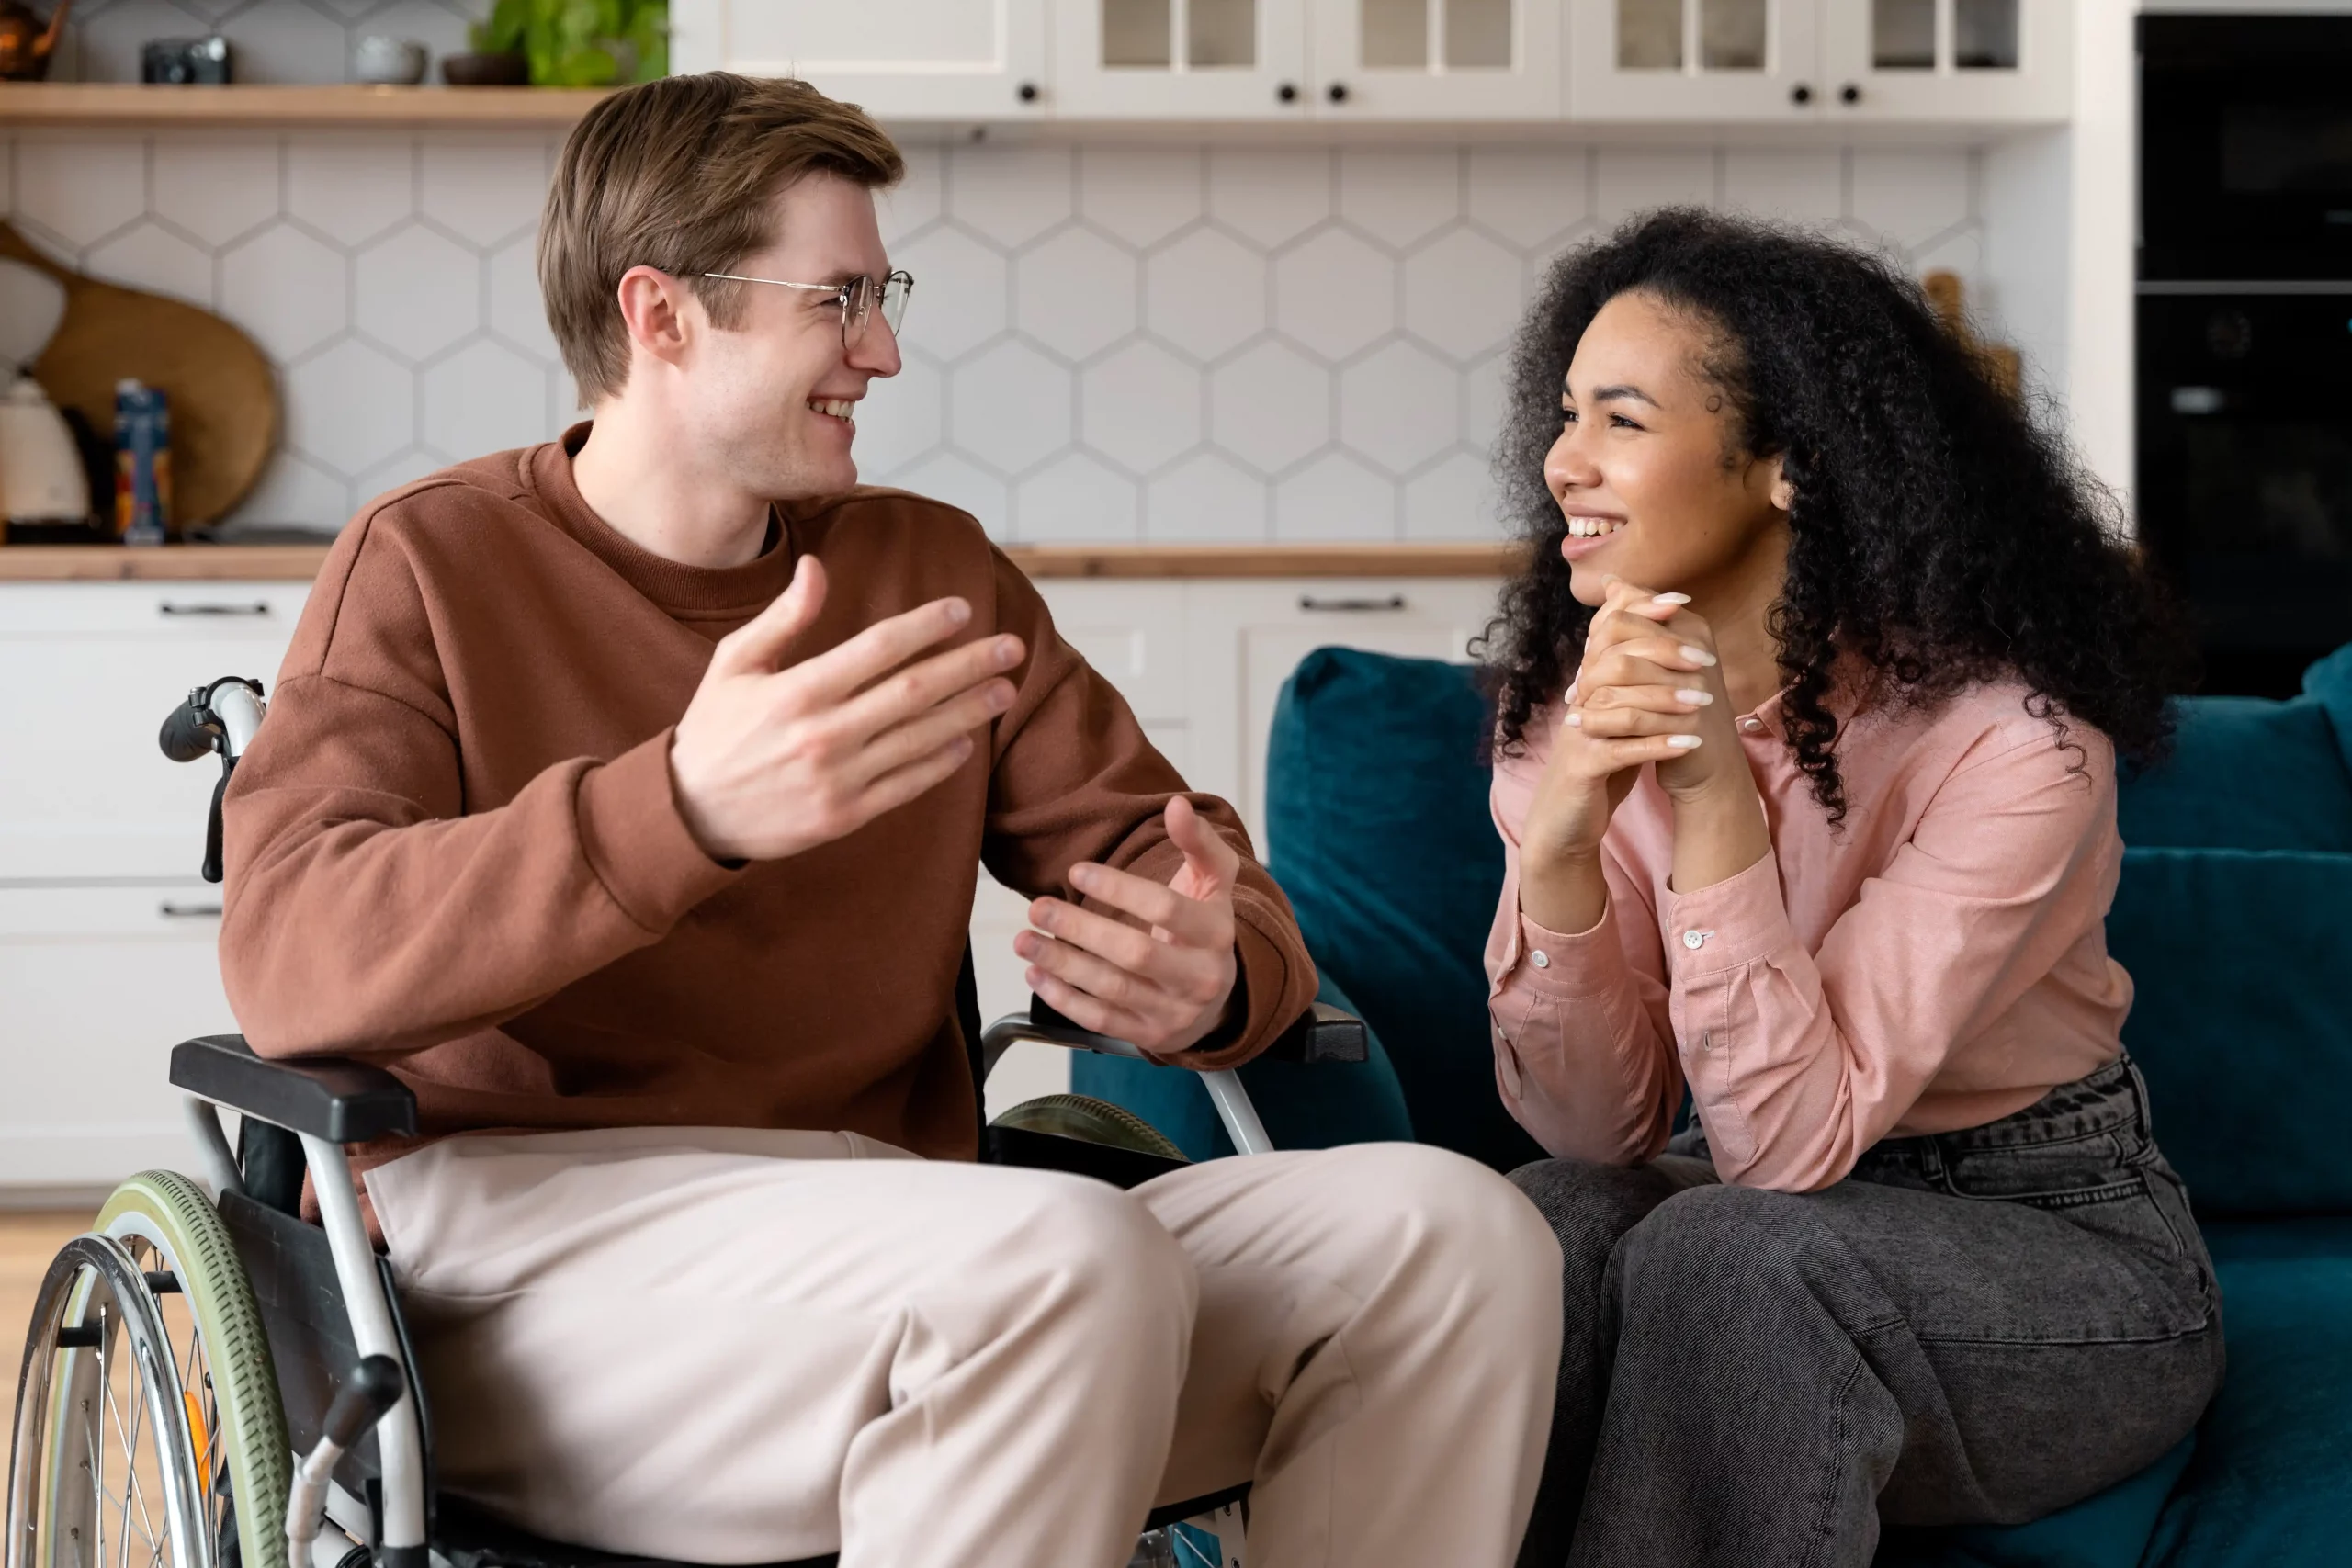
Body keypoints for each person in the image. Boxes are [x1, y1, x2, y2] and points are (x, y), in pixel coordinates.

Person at [218, 71, 1561, 1568]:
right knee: (1060, 1256)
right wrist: (682, 805)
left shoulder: (931, 568)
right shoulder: (427, 564)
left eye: (884, 292)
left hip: (924, 1236)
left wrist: (1223, 965)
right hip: (532, 1266)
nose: (885, 349)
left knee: (1459, 1240)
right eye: (839, 298)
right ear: (661, 314)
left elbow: (1160, 846)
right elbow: (290, 954)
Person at [1477, 209, 2222, 1568]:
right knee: (1548, 1220)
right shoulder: (1566, 718)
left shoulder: (2016, 741)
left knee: (1732, 1252)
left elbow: (1779, 1160)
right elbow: (1598, 1128)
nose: (1559, 460)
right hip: (1737, 1207)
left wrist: (1712, 805)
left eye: (1621, 420)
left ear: (1790, 468)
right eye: (1565, 411)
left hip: (2050, 1241)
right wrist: (1564, 848)